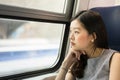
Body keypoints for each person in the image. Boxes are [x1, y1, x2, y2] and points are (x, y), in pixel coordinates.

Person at [55, 10, 120, 80]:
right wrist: (65, 64)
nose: (70, 37)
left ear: (92, 36)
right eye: (71, 31)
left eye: (76, 32)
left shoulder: (115, 58)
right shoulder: (77, 58)